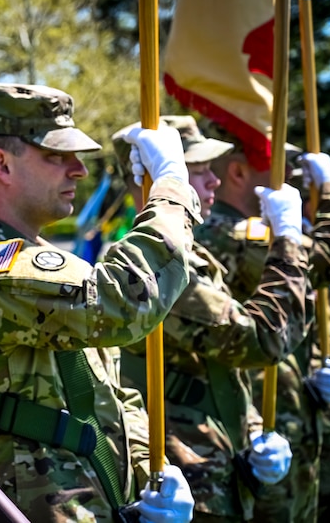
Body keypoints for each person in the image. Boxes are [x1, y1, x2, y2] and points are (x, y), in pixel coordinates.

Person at [0, 80, 196, 522]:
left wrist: (149, 476)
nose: (79, 170)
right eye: (56, 156)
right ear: (2, 165)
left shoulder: (49, 265)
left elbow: (111, 398)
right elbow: (124, 304)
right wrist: (172, 188)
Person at [113, 115, 308, 522]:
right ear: (151, 180)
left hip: (221, 473)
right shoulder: (162, 269)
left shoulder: (193, 257)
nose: (213, 181)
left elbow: (220, 370)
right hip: (189, 482)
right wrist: (288, 240)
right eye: (194, 172)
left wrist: (253, 430)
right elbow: (260, 341)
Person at [194, 125, 330, 522]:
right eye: (277, 163)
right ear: (238, 173)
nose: (289, 174)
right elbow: (324, 260)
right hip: (253, 421)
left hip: (278, 413)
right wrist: (328, 196)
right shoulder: (233, 232)